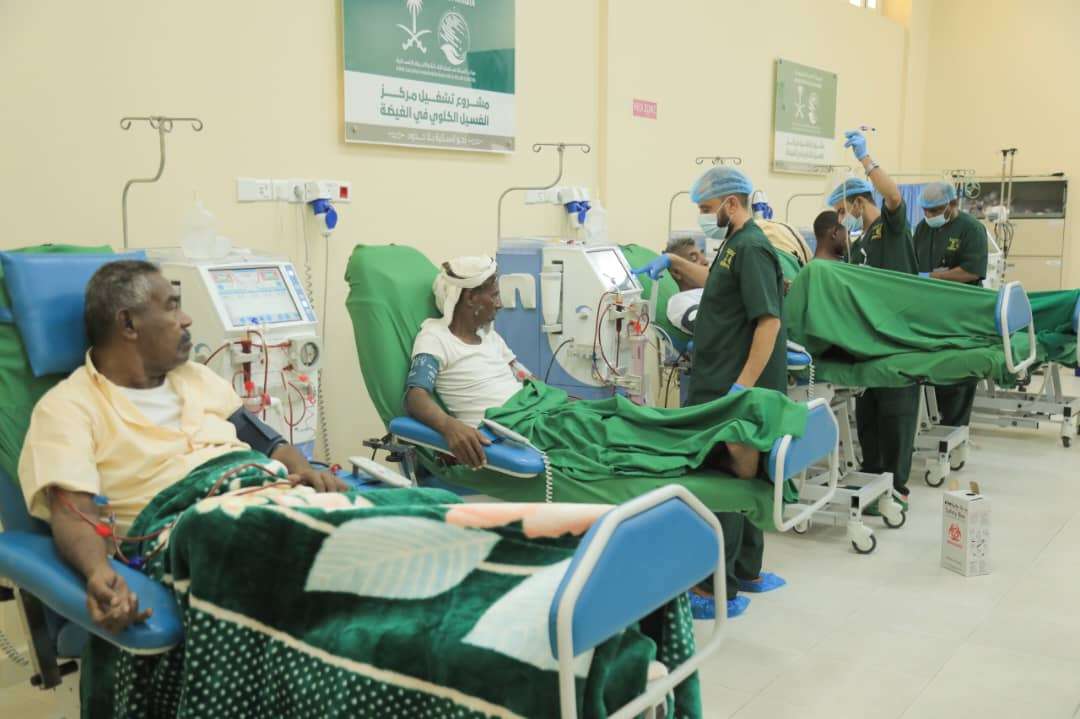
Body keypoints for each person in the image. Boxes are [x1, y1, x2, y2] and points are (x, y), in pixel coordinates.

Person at [18, 260, 347, 634]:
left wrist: (305, 471)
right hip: (195, 528)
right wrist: (98, 571)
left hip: (273, 497)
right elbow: (75, 512)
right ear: (129, 324)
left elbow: (268, 443)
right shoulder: (67, 407)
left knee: (390, 523)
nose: (187, 319)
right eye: (172, 306)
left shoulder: (197, 378)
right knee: (330, 572)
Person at [660, 165, 790, 619]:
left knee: (723, 485)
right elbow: (717, 286)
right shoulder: (735, 244)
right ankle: (747, 571)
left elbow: (768, 322)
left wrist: (740, 387)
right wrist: (673, 263)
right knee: (746, 480)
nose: (703, 216)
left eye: (707, 207)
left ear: (731, 204)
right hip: (725, 382)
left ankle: (715, 588)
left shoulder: (751, 248)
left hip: (732, 389)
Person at [829, 129, 919, 507]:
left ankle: (897, 488)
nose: (841, 218)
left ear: (857, 202)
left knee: (896, 414)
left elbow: (893, 195)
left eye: (842, 210)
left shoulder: (889, 227)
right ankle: (873, 479)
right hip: (869, 340)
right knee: (869, 413)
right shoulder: (859, 243)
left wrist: (866, 159)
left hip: (898, 337)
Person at [913, 181, 989, 427]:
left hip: (962, 313)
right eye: (925, 210)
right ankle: (930, 420)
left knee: (958, 371)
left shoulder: (971, 229)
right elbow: (914, 264)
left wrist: (935, 276)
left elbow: (972, 271)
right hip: (930, 311)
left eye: (934, 211)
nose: (929, 216)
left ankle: (955, 428)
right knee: (931, 369)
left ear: (952, 204)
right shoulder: (922, 229)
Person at [664, 236, 709, 333]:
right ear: (676, 272)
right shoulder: (679, 302)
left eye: (702, 254)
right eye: (693, 258)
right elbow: (709, 326)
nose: (706, 262)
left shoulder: (715, 290)